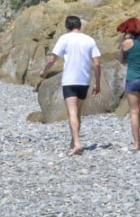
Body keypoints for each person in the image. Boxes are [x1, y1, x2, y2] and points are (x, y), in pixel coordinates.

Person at [38, 15, 101, 155]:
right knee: (77, 112)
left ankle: (77, 143)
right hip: (84, 81)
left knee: (72, 112)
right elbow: (96, 64)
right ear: (79, 25)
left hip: (70, 80)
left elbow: (52, 58)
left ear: (67, 26)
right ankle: (73, 140)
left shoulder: (64, 39)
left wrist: (44, 71)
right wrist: (98, 84)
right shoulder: (89, 40)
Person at [117, 17, 140, 151]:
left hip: (132, 79)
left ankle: (136, 143)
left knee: (133, 110)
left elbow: (121, 60)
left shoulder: (125, 43)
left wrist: (123, 45)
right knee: (138, 106)